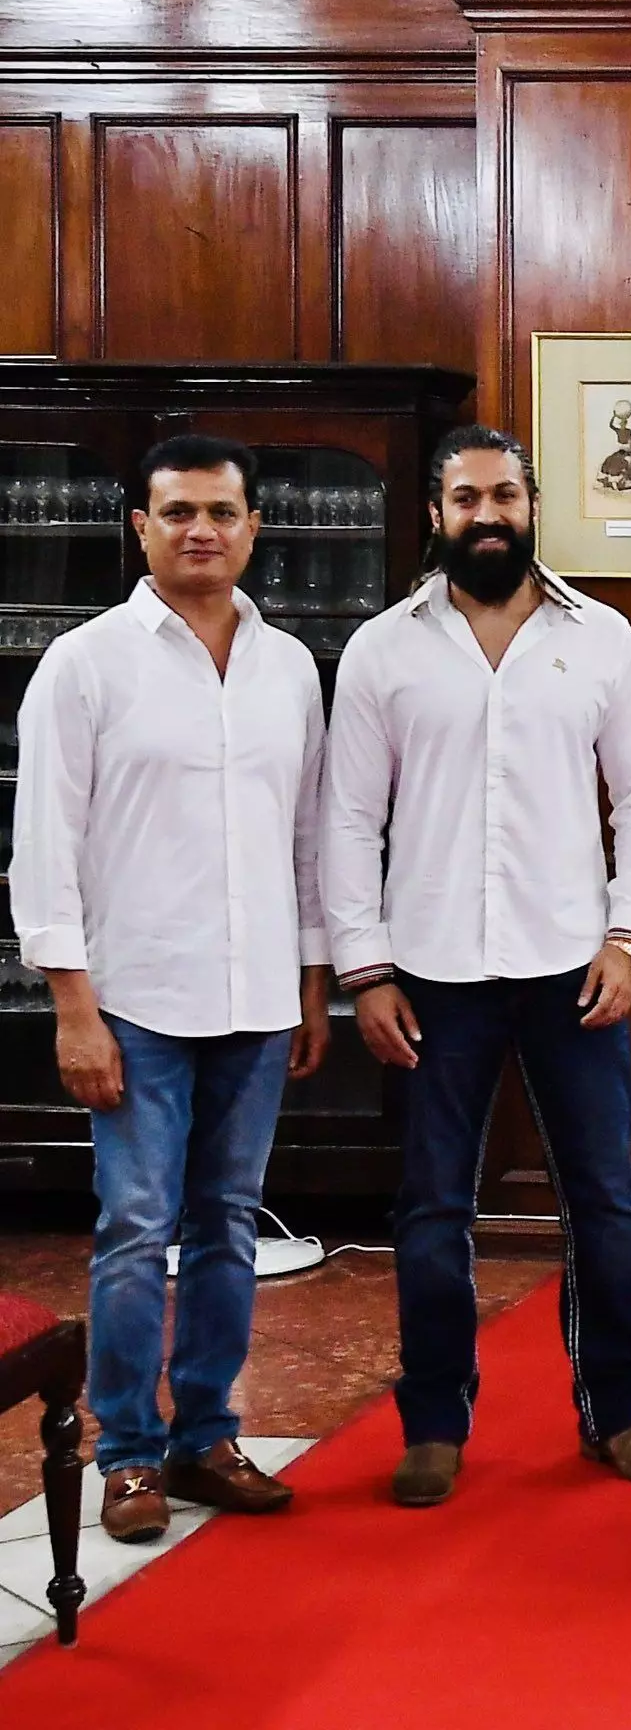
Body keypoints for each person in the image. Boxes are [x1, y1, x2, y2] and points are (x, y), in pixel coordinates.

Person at [323, 424, 631, 1507]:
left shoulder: (603, 637)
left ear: (533, 507)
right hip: (429, 969)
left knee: (606, 1199)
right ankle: (434, 1419)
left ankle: (616, 1408)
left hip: (572, 965)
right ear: (435, 515)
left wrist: (630, 937)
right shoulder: (386, 646)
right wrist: (365, 967)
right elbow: (346, 818)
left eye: (507, 496)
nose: (490, 515)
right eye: (467, 498)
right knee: (433, 1204)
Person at [10, 434, 329, 1542]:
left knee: (229, 1226)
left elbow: (306, 835)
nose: (203, 529)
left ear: (253, 528)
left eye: (223, 512)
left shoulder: (288, 665)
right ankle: (129, 1456)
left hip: (256, 996)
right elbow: (43, 842)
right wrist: (71, 1003)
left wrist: (316, 975)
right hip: (133, 998)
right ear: (139, 527)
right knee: (137, 1227)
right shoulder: (87, 663)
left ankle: (204, 1434)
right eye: (179, 510)